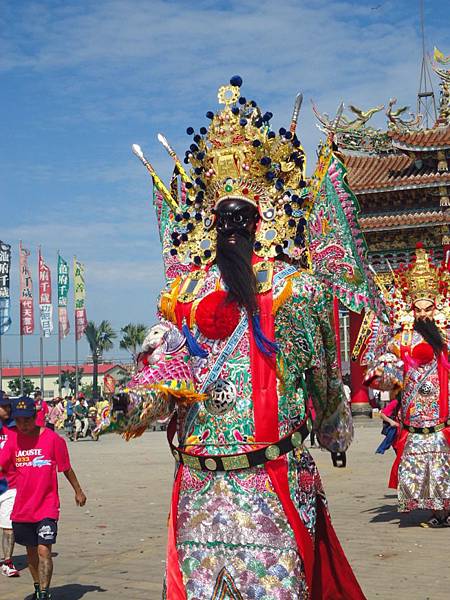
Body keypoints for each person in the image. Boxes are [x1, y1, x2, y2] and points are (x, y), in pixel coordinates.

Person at [117, 77, 377, 599]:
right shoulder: (184, 295)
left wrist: (330, 430)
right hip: (204, 485)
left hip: (268, 478)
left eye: (240, 215)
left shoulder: (292, 290)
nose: (233, 224)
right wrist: (132, 401)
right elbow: (165, 376)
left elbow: (324, 378)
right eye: (227, 216)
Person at [366, 243, 449, 528]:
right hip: (414, 418)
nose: (424, 314)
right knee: (417, 464)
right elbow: (383, 376)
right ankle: (433, 508)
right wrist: (384, 364)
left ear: (437, 307)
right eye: (418, 308)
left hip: (442, 417)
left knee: (442, 465)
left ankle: (443, 511)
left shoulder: (446, 340)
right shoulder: (401, 341)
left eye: (429, 308)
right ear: (411, 309)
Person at [0, 396, 86, 599]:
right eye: (19, 420)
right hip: (22, 508)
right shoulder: (13, 440)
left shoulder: (53, 439)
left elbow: (66, 468)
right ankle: (38, 586)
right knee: (31, 554)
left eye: (27, 420)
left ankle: (45, 593)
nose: (23, 425)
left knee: (44, 551)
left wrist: (78, 491)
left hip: (47, 506)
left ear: (36, 416)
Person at [0, 391, 19, 577]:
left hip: (10, 486)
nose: (6, 409)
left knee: (8, 526)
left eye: (8, 406)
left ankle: (7, 561)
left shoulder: (15, 428)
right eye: (2, 406)